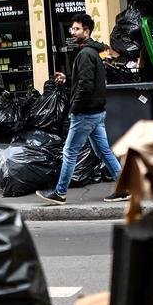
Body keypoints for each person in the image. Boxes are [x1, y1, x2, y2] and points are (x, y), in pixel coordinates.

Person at [37, 13, 129, 205]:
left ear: (86, 31)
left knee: (70, 152)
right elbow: (83, 80)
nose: (72, 31)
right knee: (104, 151)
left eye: (77, 28)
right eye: (72, 28)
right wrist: (67, 79)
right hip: (96, 112)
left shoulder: (86, 54)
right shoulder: (91, 52)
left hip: (85, 113)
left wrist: (74, 109)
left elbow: (85, 86)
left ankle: (60, 193)